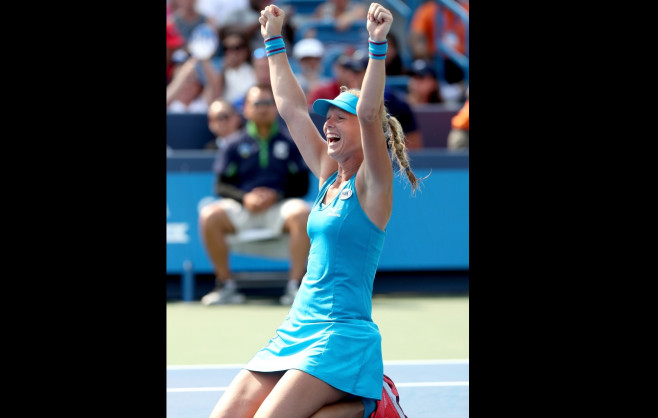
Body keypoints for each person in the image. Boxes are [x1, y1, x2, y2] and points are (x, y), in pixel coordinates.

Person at [207, 3, 416, 417]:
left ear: (367, 132)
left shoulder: (373, 185)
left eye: (341, 118)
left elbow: (371, 113)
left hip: (341, 335)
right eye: (329, 117)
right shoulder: (326, 175)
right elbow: (290, 106)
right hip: (296, 327)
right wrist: (272, 39)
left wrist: (376, 45)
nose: (329, 124)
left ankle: (371, 403)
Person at [199, 84, 311, 306]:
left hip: (279, 208)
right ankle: (225, 286)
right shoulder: (233, 144)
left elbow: (302, 185)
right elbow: (221, 186)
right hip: (243, 208)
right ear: (246, 110)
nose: (263, 108)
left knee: (302, 212)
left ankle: (295, 287)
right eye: (257, 104)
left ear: (275, 108)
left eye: (268, 103)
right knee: (209, 215)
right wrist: (245, 198)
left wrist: (275, 196)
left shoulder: (289, 143)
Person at [408, 0, 469, 85]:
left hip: (462, 60)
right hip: (435, 60)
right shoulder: (428, 10)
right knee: (421, 66)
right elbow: (417, 37)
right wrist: (425, 56)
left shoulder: (466, 9)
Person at [217, 32, 257, 106]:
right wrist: (222, 70)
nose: (232, 52)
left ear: (246, 50)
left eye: (237, 47)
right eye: (226, 48)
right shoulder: (219, 71)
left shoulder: (255, 71)